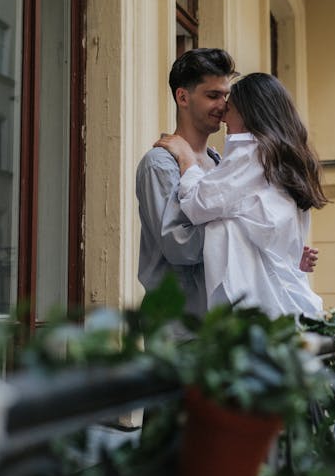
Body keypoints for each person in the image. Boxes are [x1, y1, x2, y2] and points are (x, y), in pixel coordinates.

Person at [136, 50, 318, 316]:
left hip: (224, 324)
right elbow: (179, 246)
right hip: (181, 327)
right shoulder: (160, 164)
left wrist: (279, 247)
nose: (223, 106)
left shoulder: (222, 163)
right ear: (183, 97)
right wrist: (257, 234)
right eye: (213, 96)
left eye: (226, 96)